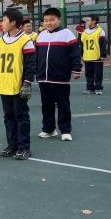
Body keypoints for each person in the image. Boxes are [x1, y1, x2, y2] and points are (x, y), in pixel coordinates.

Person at [0, 9, 36, 160]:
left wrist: (27, 83)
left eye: (4, 20)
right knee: (8, 117)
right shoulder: (1, 41)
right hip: (5, 84)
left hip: (18, 86)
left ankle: (24, 147)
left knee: (21, 116)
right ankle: (12, 145)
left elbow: (30, 64)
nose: (2, 23)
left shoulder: (25, 40)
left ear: (13, 23)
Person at [36, 8, 82, 141]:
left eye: (52, 20)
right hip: (43, 78)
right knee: (46, 105)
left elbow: (75, 53)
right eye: (45, 20)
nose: (48, 23)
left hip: (60, 77)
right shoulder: (41, 35)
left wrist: (76, 69)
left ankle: (65, 130)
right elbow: (36, 55)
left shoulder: (67, 33)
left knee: (63, 104)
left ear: (59, 20)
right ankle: (49, 129)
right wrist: (35, 70)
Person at [80, 14, 106, 95]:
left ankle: (98, 88)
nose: (86, 21)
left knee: (98, 74)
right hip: (87, 56)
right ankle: (90, 88)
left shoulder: (100, 31)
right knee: (88, 74)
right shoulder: (84, 32)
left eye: (88, 20)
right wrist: (81, 54)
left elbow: (102, 44)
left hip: (97, 56)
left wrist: (103, 55)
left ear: (94, 21)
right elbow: (82, 44)